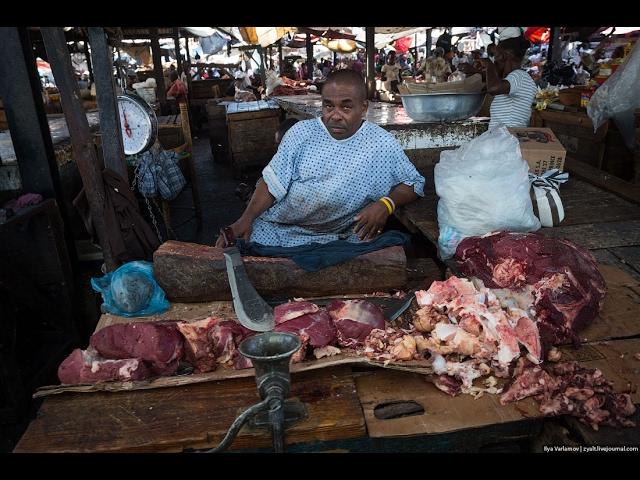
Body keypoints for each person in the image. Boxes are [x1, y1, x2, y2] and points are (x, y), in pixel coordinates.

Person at [216, 69, 425, 248]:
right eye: (328, 106)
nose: (335, 115)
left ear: (363, 108)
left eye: (346, 107)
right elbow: (272, 183)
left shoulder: (381, 143)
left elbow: (413, 183)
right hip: (280, 229)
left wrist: (386, 204)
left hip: (340, 236)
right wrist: (246, 218)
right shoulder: (301, 133)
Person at [459, 34, 537, 128]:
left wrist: (489, 64)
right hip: (501, 135)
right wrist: (474, 71)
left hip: (508, 137)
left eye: (495, 58)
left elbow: (493, 88)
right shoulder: (509, 80)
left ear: (504, 57)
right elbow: (487, 83)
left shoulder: (519, 76)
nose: (494, 62)